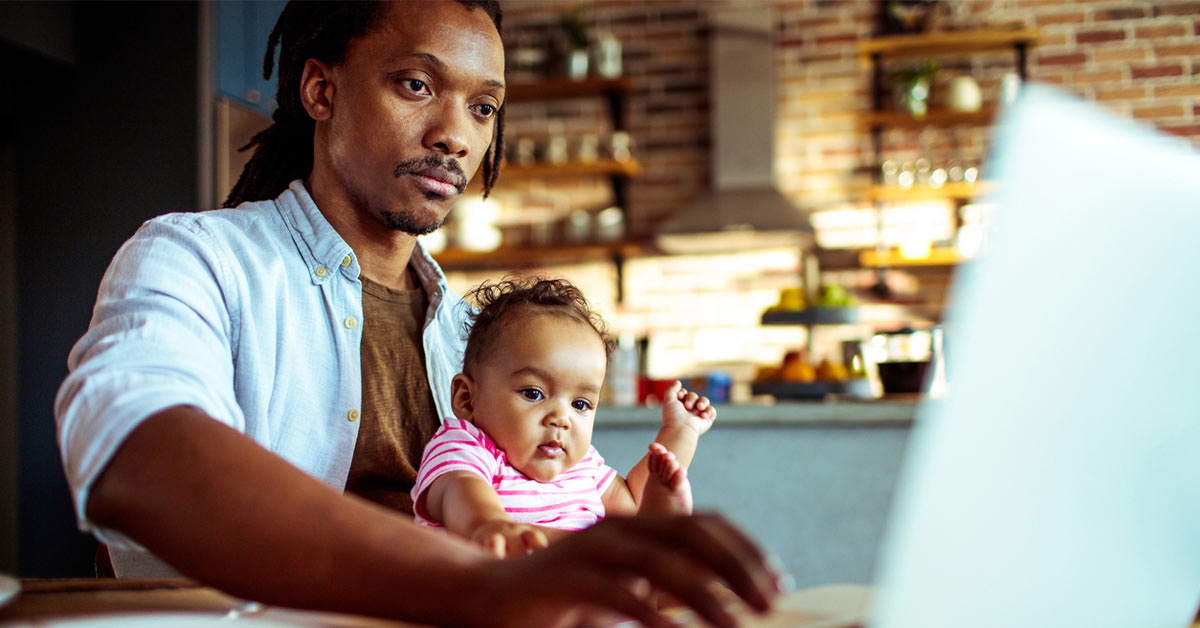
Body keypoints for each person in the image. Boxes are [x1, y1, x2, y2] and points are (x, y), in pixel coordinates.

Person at [53, 1, 784, 626]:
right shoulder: (197, 258)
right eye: (416, 84)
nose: (455, 135)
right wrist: (474, 583)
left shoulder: (471, 336)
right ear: (321, 89)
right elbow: (135, 451)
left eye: (483, 106)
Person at [412, 277, 714, 556]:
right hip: (497, 591)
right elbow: (458, 488)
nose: (561, 418)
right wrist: (488, 525)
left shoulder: (584, 467)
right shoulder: (467, 448)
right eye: (533, 393)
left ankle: (664, 528)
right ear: (467, 399)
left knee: (642, 537)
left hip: (584, 592)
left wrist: (680, 432)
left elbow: (633, 503)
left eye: (581, 404)